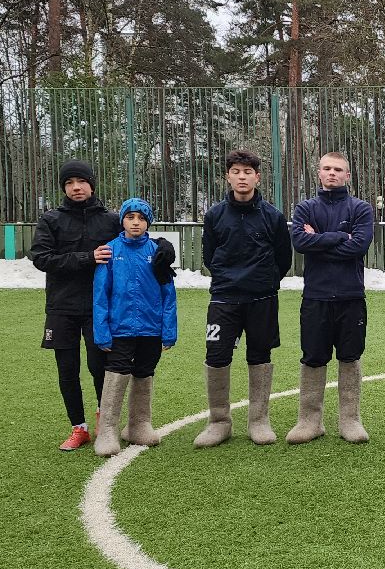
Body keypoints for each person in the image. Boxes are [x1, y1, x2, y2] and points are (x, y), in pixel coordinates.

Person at [194, 149, 292, 448]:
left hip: (262, 297)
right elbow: (209, 255)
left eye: (247, 172)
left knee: (259, 355)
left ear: (257, 177)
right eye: (236, 171)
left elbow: (283, 258)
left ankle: (258, 420)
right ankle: (219, 422)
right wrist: (226, 277)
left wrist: (264, 280)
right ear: (228, 176)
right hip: (224, 298)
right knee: (217, 356)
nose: (242, 177)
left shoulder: (273, 216)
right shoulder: (214, 215)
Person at [30, 160, 122, 451]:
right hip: (62, 307)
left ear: (92, 184)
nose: (76, 187)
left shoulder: (111, 220)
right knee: (67, 370)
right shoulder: (51, 220)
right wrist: (86, 258)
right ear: (64, 188)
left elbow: (134, 240)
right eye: (69, 183)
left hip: (99, 307)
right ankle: (78, 428)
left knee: (100, 367)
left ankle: (104, 424)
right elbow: (42, 259)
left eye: (81, 181)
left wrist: (160, 249)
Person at [287, 151, 375, 444]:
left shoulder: (360, 209)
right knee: (313, 357)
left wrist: (320, 240)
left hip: (351, 297)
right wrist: (340, 236)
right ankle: (309, 422)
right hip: (316, 297)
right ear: (319, 173)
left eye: (338, 169)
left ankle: (350, 421)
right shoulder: (305, 208)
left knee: (350, 357)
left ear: (348, 176)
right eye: (327, 168)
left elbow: (359, 246)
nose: (333, 173)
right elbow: (300, 243)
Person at [90, 198, 178, 458]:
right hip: (120, 329)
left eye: (141, 218)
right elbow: (100, 295)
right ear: (123, 221)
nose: (136, 222)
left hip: (151, 329)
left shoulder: (157, 252)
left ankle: (138, 424)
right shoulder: (110, 251)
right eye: (130, 218)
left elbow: (168, 294)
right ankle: (107, 430)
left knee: (144, 372)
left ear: (148, 222)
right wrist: (102, 331)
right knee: (117, 373)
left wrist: (168, 330)